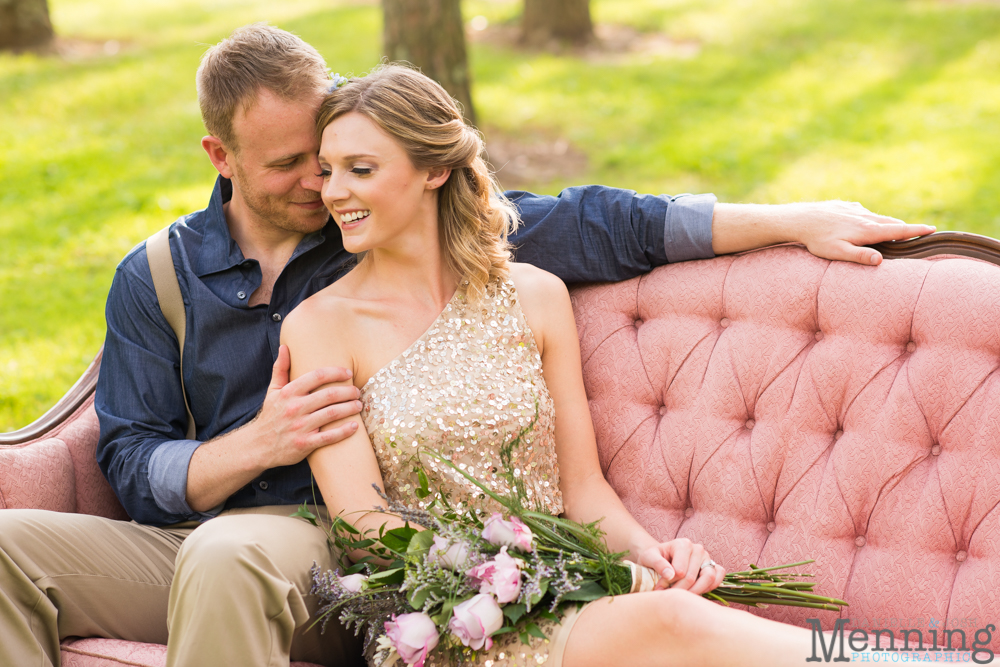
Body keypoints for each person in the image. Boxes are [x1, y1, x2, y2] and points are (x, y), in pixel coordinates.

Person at [0, 23, 930, 667]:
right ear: (220, 158)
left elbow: (604, 223)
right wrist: (262, 440)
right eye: (300, 165)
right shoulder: (158, 276)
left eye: (338, 158)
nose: (323, 187)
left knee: (232, 557)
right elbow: (126, 461)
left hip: (332, 554)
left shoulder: (428, 240)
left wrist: (789, 217)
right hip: (270, 536)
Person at [280, 64, 876, 667]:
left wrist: (652, 557)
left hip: (572, 589)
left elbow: (582, 489)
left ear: (434, 169)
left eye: (360, 169)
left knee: (680, 611)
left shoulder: (535, 296)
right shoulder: (320, 326)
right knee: (673, 623)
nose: (332, 192)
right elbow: (364, 528)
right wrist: (511, 572)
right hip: (448, 622)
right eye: (328, 171)